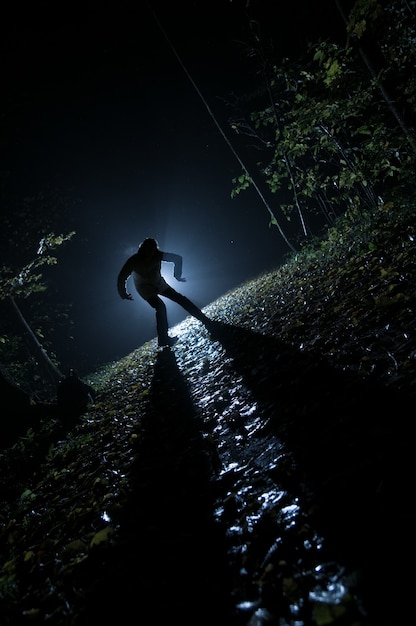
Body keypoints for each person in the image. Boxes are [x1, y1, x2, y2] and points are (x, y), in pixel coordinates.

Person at [117, 238, 212, 347]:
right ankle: (163, 338)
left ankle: (204, 319)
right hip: (145, 288)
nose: (149, 253)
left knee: (181, 299)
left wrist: (177, 275)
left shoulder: (158, 255)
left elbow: (177, 259)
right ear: (142, 250)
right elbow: (122, 277)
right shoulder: (134, 260)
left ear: (154, 250)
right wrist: (123, 293)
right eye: (147, 250)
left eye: (152, 251)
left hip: (159, 283)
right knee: (160, 307)